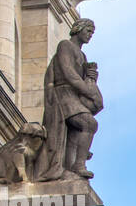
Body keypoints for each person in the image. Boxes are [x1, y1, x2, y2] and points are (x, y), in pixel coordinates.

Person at [36, 18, 103, 180]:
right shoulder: (65, 46)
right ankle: (78, 165)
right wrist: (87, 90)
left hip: (73, 95)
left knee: (75, 132)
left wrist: (91, 78)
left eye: (92, 32)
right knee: (89, 123)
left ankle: (70, 166)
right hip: (63, 94)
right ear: (78, 29)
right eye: (88, 31)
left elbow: (79, 77)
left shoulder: (83, 55)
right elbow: (68, 73)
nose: (90, 35)